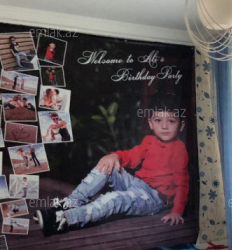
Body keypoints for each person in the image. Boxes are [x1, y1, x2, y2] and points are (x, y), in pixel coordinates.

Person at [36, 92, 189, 236]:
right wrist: (114, 156)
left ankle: (64, 220)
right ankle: (72, 202)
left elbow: (182, 184)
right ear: (151, 123)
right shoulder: (149, 141)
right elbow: (132, 156)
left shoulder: (179, 150)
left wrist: (177, 211)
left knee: (114, 199)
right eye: (158, 120)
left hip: (154, 198)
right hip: (137, 184)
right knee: (106, 166)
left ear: (181, 125)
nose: (164, 126)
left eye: (171, 121)